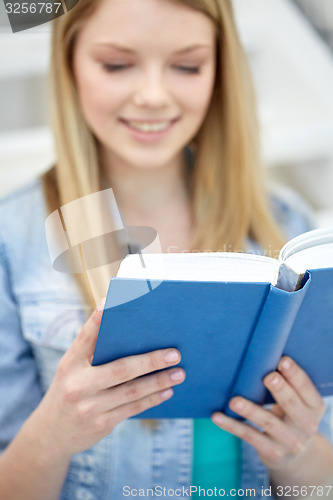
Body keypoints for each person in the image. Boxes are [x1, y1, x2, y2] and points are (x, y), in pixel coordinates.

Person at [0, 0, 332, 499]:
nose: (153, 95)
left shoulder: (288, 229)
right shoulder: (12, 240)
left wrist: (298, 452)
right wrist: (53, 433)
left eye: (187, 66)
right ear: (69, 65)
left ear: (220, 70)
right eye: (116, 64)